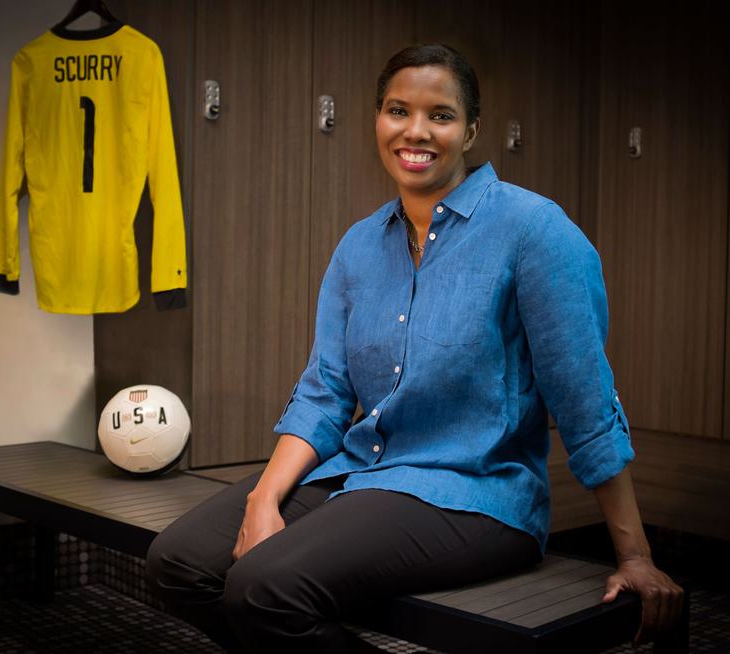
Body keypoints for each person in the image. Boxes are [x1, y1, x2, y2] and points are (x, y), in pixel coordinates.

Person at [145, 43, 683, 654]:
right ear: (377, 118)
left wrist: (636, 556)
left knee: (265, 588)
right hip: (364, 472)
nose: (416, 131)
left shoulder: (534, 231)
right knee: (177, 563)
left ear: (472, 130)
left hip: (476, 496)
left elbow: (585, 401)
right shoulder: (358, 246)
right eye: (398, 110)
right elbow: (325, 392)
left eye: (441, 115)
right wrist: (263, 500)